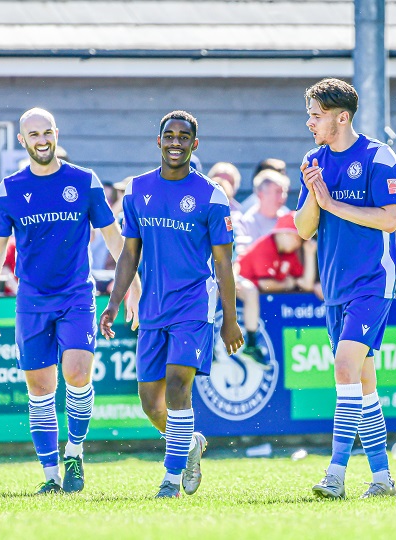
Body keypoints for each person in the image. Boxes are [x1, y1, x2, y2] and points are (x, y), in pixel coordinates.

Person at [0, 108, 140, 495]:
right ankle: (50, 476)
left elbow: (115, 239)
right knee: (40, 388)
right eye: (33, 134)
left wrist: (132, 287)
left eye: (47, 132)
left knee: (78, 372)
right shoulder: (10, 188)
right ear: (22, 141)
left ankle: (75, 452)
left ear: (56, 133)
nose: (42, 140)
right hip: (31, 299)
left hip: (76, 295)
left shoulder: (84, 181)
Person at [100, 110, 244, 499]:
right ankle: (191, 445)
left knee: (180, 386)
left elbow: (223, 262)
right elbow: (129, 254)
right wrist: (114, 302)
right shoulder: (137, 190)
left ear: (194, 144)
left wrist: (230, 319)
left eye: (184, 137)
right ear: (159, 141)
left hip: (194, 307)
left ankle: (170, 479)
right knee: (151, 403)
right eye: (169, 135)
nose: (176, 142)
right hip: (152, 310)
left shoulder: (211, 195)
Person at [294, 78, 396, 499]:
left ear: (342, 117)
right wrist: (312, 193)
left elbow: (390, 219)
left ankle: (335, 474)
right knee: (364, 383)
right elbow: (304, 230)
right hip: (334, 286)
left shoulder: (379, 155)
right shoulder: (314, 159)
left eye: (316, 115)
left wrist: (333, 202)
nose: (309, 123)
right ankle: (382, 478)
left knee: (343, 368)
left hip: (373, 282)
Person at [238, 213, 317, 293]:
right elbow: (266, 285)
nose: (299, 244)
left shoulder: (289, 253)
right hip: (238, 294)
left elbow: (307, 285)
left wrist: (309, 254)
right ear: (284, 233)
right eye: (298, 238)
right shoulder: (265, 248)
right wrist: (287, 284)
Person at [236, 170, 291, 253]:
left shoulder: (288, 221)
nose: (282, 197)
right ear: (260, 194)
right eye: (277, 191)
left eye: (284, 192)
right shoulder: (245, 223)